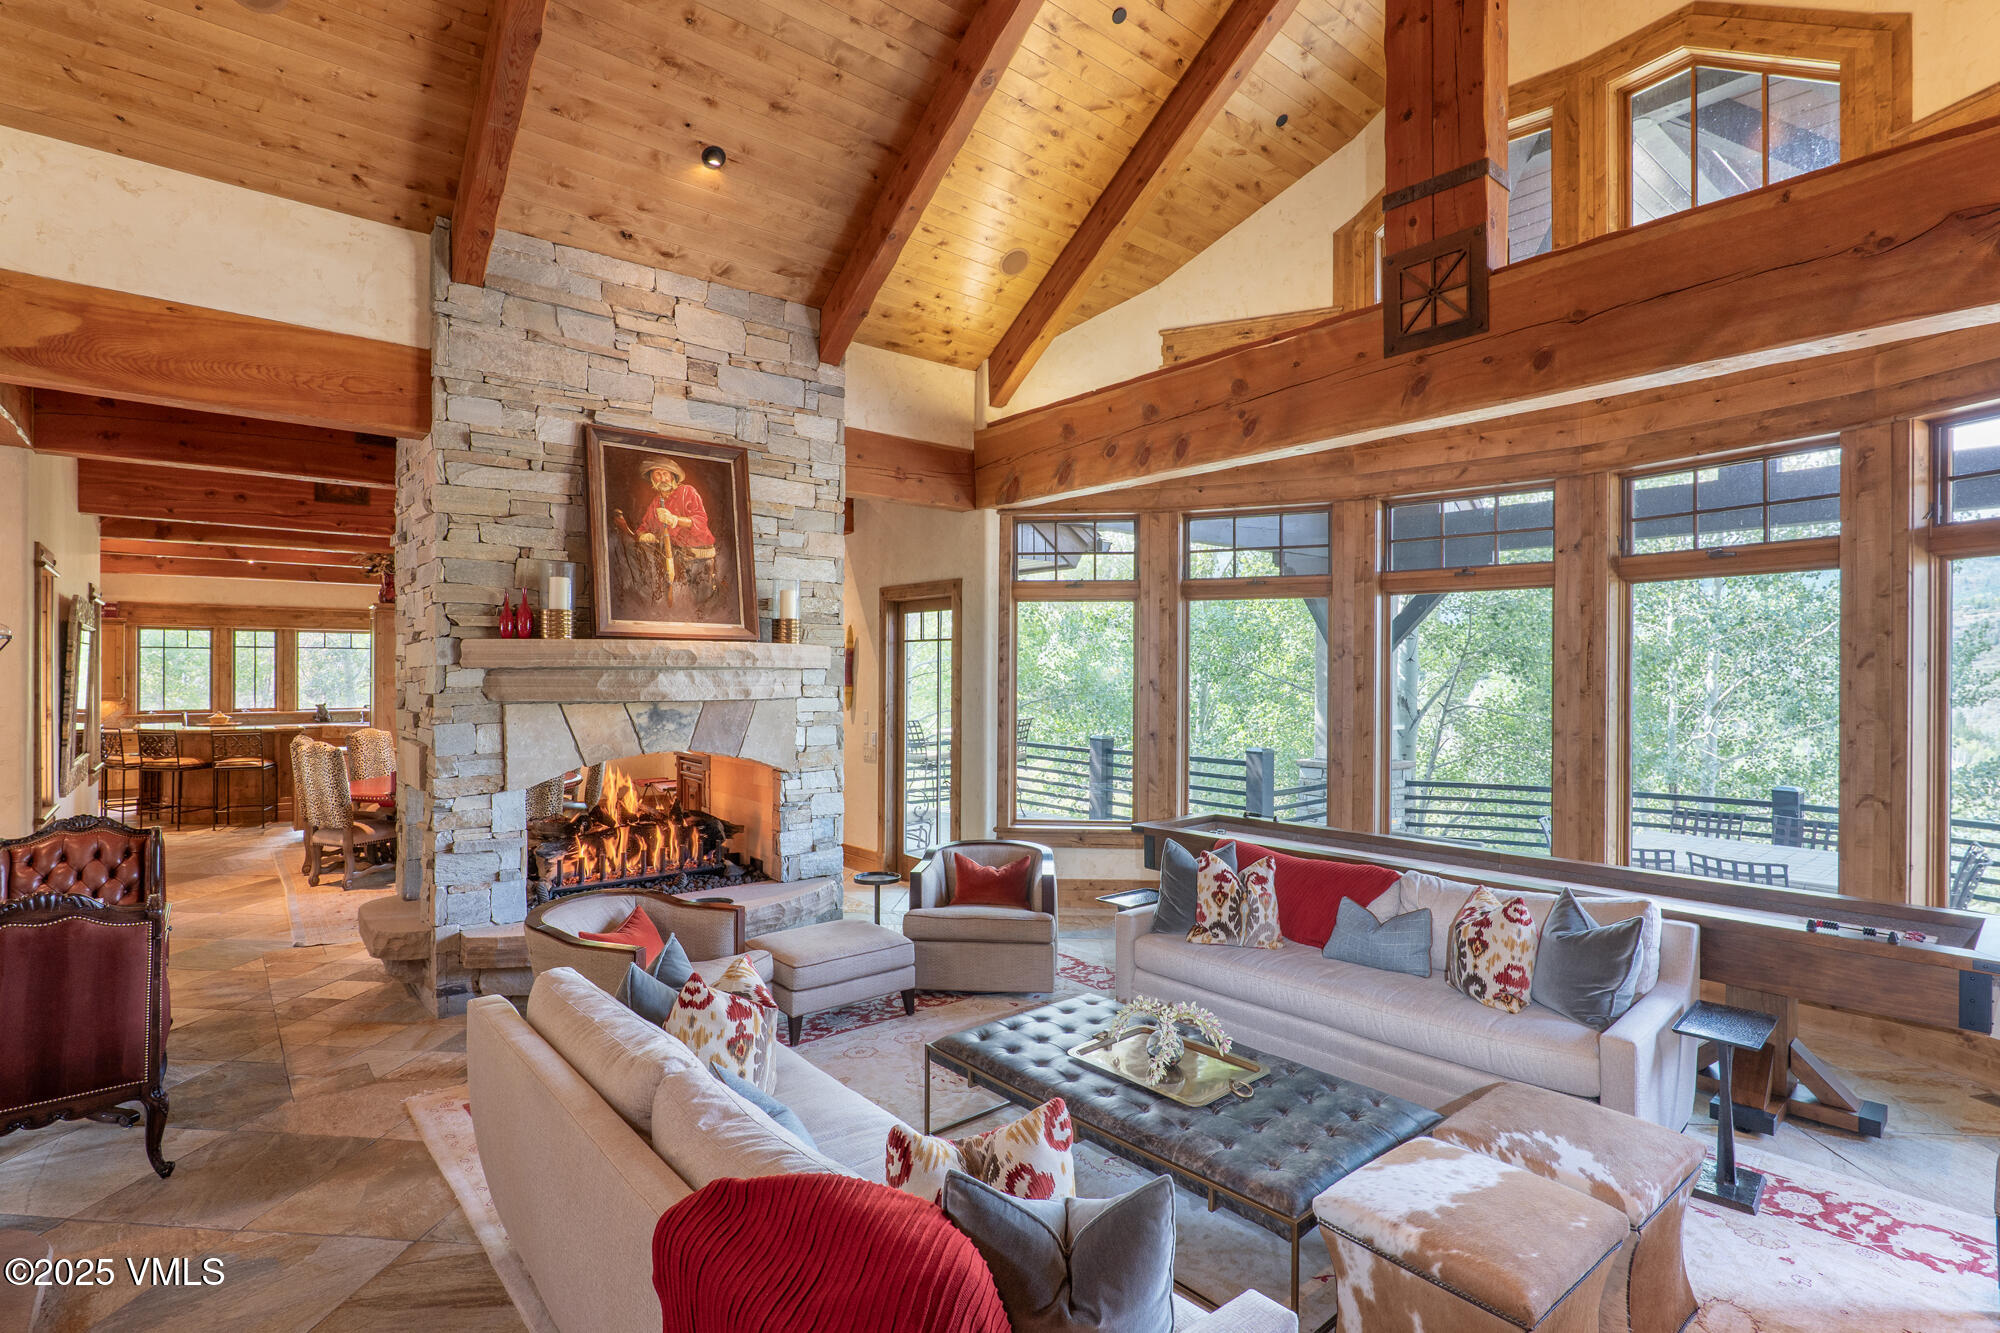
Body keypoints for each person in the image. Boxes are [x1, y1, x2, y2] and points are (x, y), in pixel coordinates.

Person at [617, 456, 720, 611]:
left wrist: (675, 519)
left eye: (666, 473)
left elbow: (700, 520)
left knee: (702, 602)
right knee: (681, 603)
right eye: (658, 474)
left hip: (699, 557)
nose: (662, 478)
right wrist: (644, 534)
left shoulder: (687, 491)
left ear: (673, 476)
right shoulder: (656, 502)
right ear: (652, 478)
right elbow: (644, 526)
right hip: (676, 560)